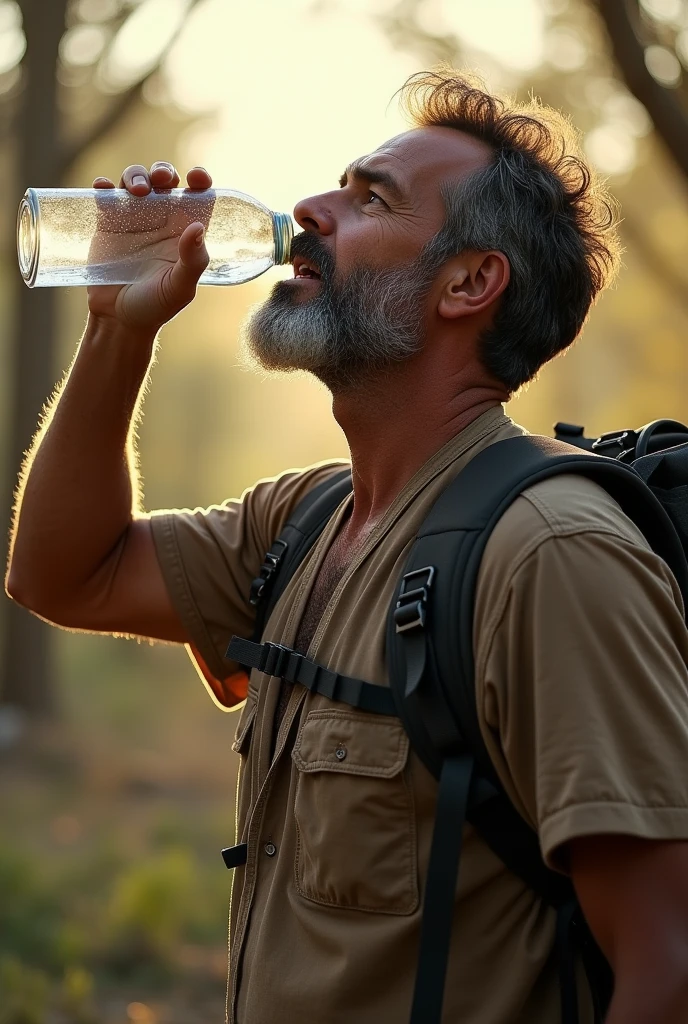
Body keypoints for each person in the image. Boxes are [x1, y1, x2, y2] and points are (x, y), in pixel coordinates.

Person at [7, 69, 688, 1024]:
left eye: (371, 198)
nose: (310, 210)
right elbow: (63, 574)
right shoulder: (305, 522)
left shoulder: (550, 555)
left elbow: (669, 965)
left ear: (469, 283)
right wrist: (118, 334)